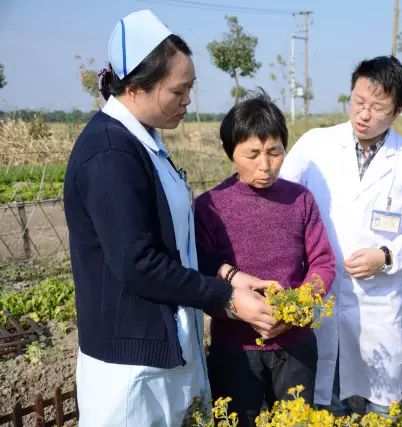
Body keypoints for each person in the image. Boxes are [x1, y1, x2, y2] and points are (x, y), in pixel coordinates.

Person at [63, 10, 277, 426]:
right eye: (179, 91)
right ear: (138, 88)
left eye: (190, 89)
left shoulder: (145, 141)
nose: (187, 101)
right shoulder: (111, 154)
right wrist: (227, 299)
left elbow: (173, 243)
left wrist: (227, 278)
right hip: (130, 368)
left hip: (159, 349)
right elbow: (137, 262)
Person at [279, 55, 402, 416]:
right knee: (325, 397)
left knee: (381, 402)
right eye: (358, 102)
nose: (364, 114)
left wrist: (386, 255)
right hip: (319, 291)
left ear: (398, 110)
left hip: (376, 300)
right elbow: (281, 202)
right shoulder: (315, 145)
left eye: (377, 107)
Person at [194, 90, 336, 426]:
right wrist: (238, 311)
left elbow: (323, 263)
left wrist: (299, 304)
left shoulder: (300, 200)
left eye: (274, 152)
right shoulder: (209, 206)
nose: (265, 165)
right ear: (231, 152)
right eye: (252, 154)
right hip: (235, 349)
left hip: (296, 343)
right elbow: (201, 272)